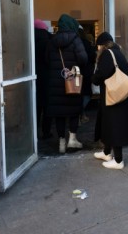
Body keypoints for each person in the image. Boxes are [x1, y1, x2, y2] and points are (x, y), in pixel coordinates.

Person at [45, 14, 87, 153]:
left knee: (60, 114)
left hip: (55, 82)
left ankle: (61, 142)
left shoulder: (51, 41)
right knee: (73, 112)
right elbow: (83, 59)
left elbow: (47, 61)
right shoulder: (76, 40)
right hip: (72, 81)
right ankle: (72, 139)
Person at [92, 32, 128, 169]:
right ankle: (106, 152)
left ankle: (118, 160)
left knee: (114, 125)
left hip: (113, 96)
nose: (97, 49)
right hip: (119, 95)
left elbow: (101, 74)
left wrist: (94, 79)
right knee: (108, 123)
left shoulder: (107, 54)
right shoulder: (118, 52)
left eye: (98, 46)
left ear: (102, 45)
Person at [34, 19, 52, 139]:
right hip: (47, 77)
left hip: (33, 77)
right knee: (47, 107)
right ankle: (46, 131)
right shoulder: (49, 41)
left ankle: (34, 131)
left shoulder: (28, 40)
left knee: (35, 107)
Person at [78, 25, 96, 124]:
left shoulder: (73, 44)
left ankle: (79, 113)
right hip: (87, 73)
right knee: (87, 94)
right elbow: (93, 57)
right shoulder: (87, 44)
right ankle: (80, 112)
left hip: (75, 73)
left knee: (77, 94)